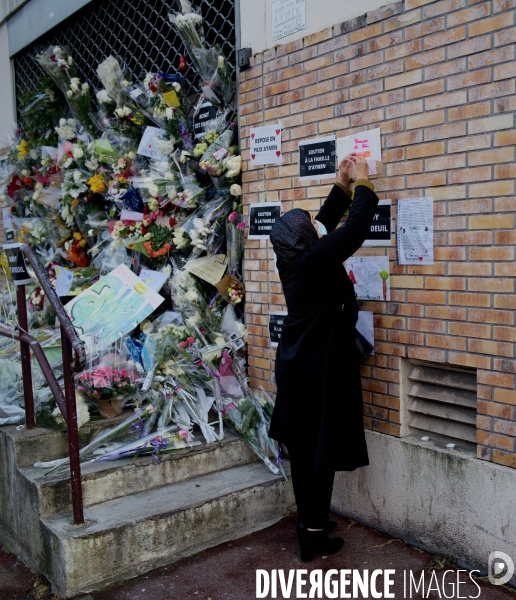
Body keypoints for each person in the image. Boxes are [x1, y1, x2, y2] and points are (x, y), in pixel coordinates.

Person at [269, 155, 379, 562]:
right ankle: (313, 536)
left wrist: (342, 186)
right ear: (305, 242)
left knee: (307, 450)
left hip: (301, 366)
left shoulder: (295, 257)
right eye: (309, 230)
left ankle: (309, 522)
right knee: (318, 452)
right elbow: (353, 230)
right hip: (317, 369)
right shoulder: (313, 260)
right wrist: (364, 183)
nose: (314, 229)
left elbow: (320, 225)